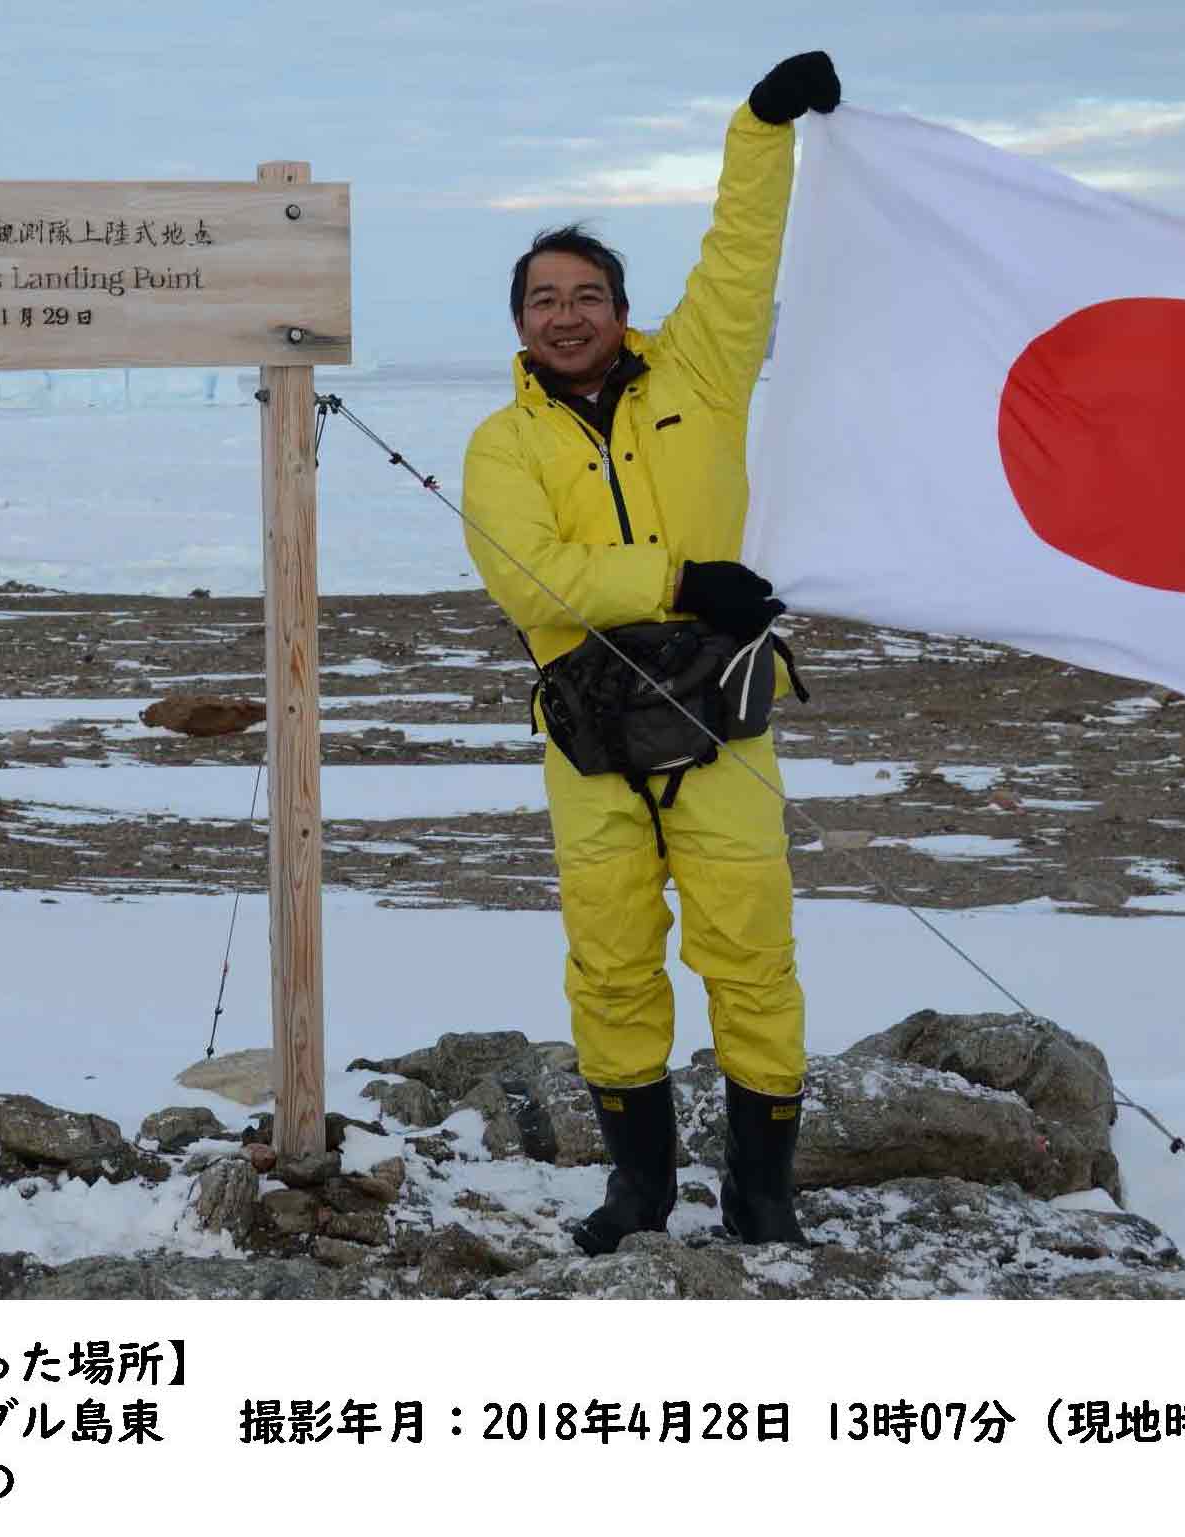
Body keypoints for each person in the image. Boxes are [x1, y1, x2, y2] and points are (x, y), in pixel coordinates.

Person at [460, 51, 840, 1254]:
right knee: (612, 956)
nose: (565, 314)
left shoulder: (703, 375)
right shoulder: (498, 445)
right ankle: (638, 1188)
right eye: (541, 300)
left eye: (584, 293)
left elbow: (740, 251)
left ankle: (761, 1190)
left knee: (749, 944)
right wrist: (682, 581)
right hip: (590, 731)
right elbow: (530, 576)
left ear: (621, 306)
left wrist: (759, 126)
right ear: (518, 324)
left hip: (722, 714)